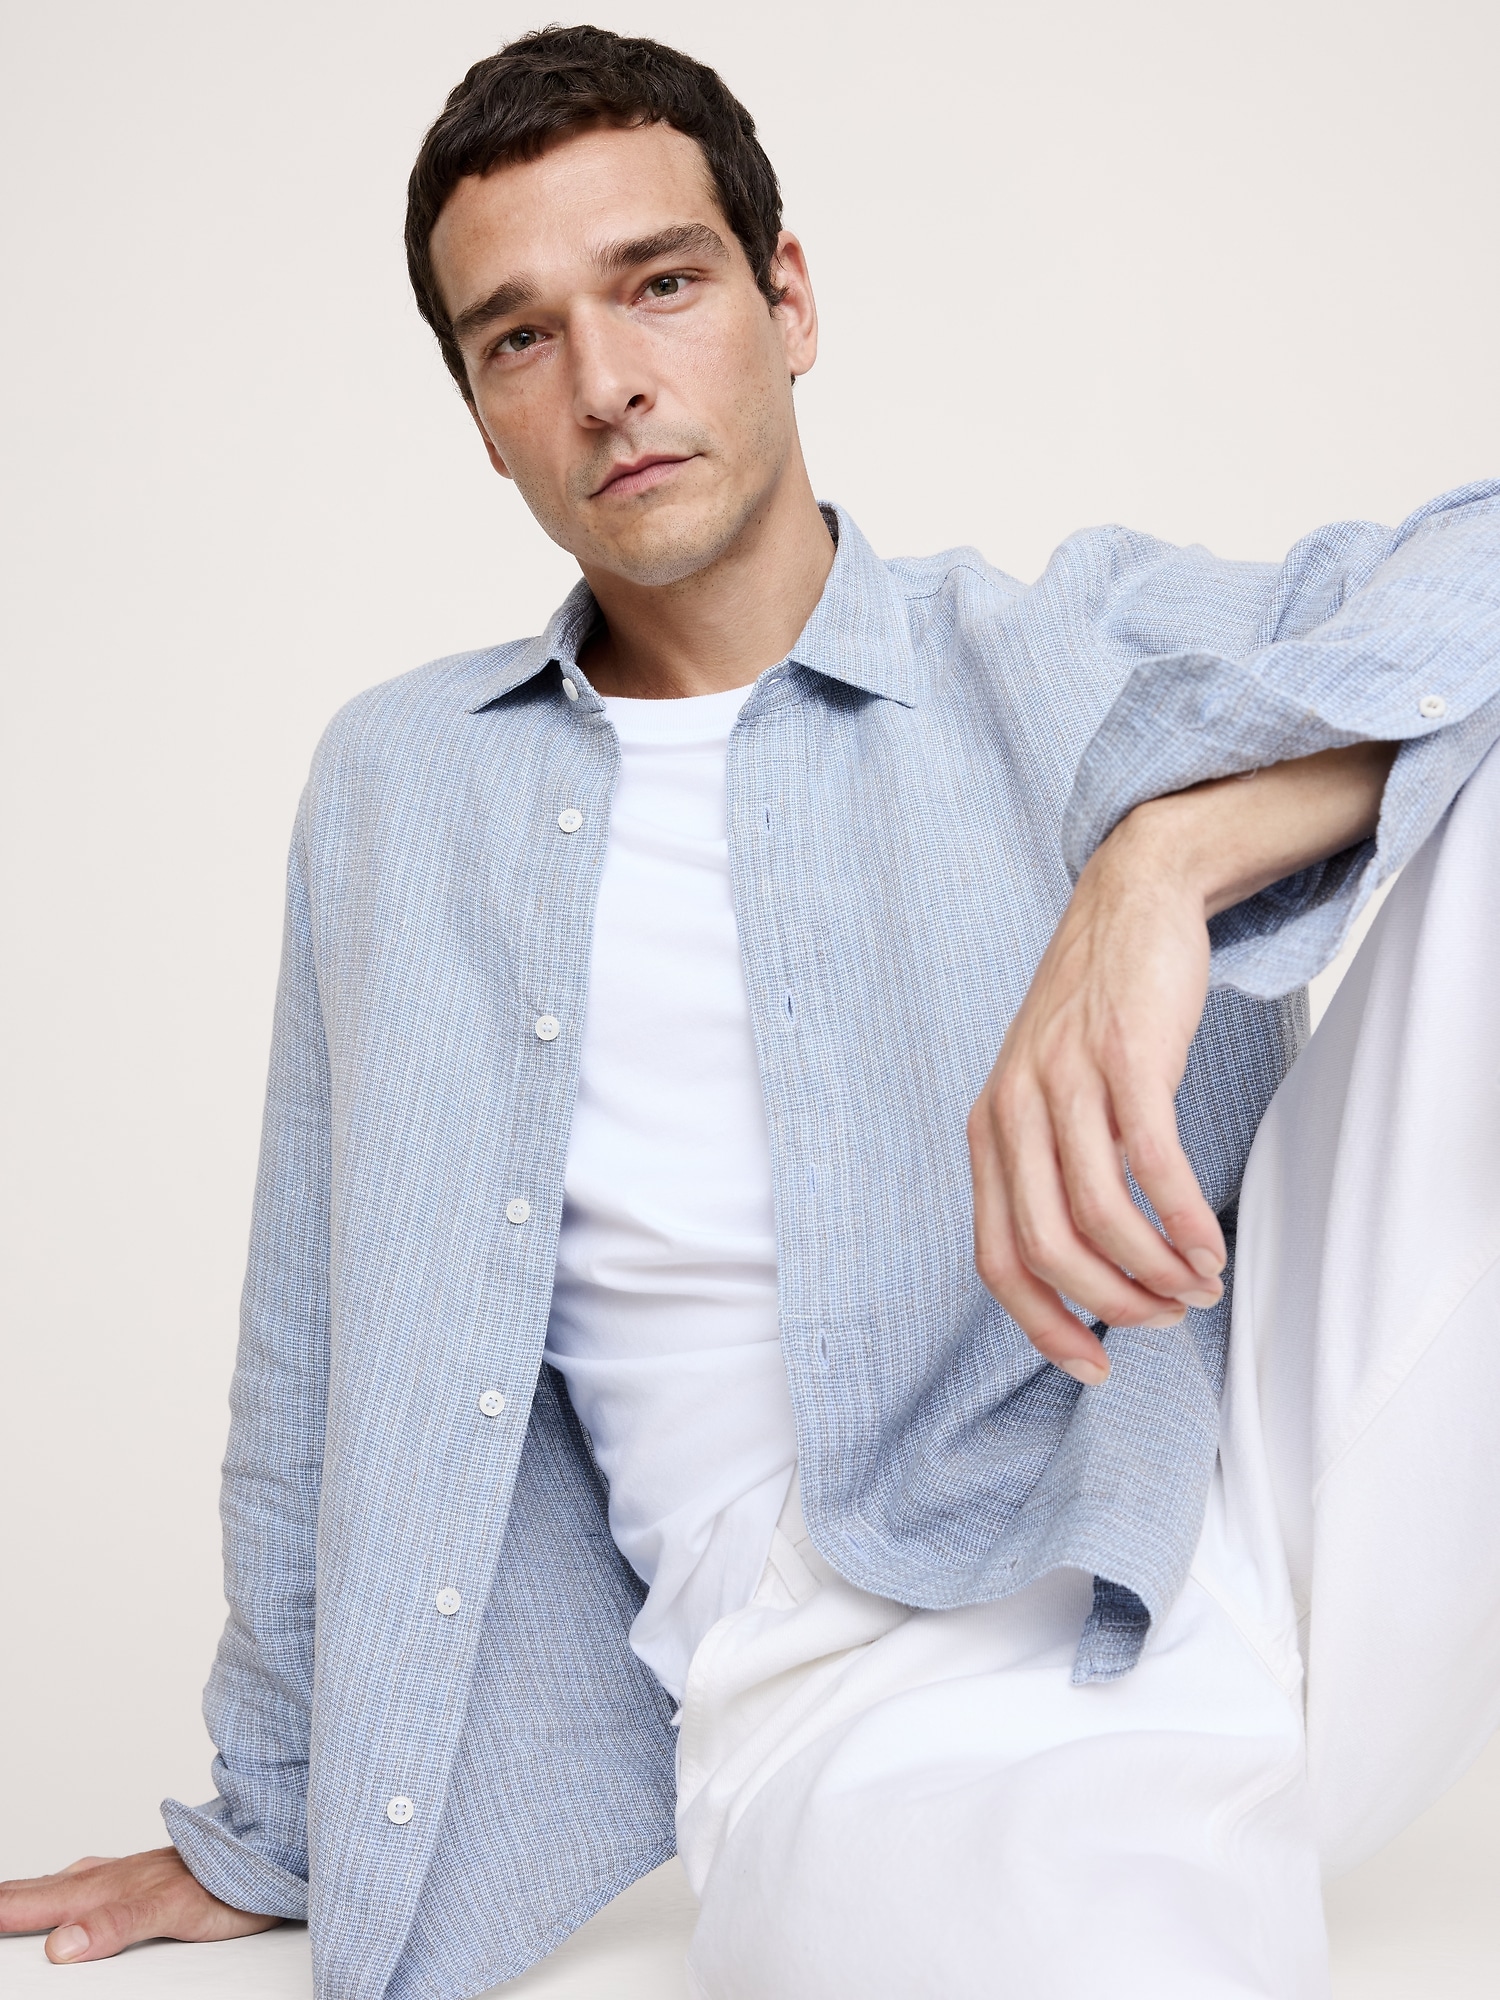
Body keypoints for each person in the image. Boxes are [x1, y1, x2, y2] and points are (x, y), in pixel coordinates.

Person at [3, 24, 1498, 1998]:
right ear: (482, 418)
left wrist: (1167, 858)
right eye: (519, 338)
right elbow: (312, 1347)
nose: (607, 382)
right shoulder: (405, 788)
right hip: (859, 1661)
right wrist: (271, 1821)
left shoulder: (1059, 646)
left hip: (1274, 1489)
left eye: (661, 283)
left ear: (788, 300)